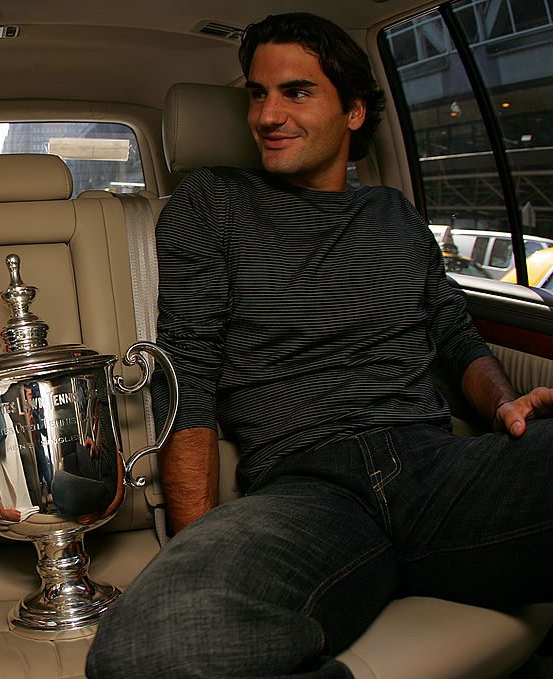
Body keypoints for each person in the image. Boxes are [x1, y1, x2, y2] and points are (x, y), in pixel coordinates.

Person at [87, 13, 553, 679]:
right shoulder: (213, 203)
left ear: (354, 112)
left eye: (296, 93)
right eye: (257, 93)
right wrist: (201, 549)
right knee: (149, 651)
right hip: (306, 490)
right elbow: (185, 372)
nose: (268, 115)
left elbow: (456, 334)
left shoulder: (394, 215)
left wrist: (507, 406)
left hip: (439, 470)